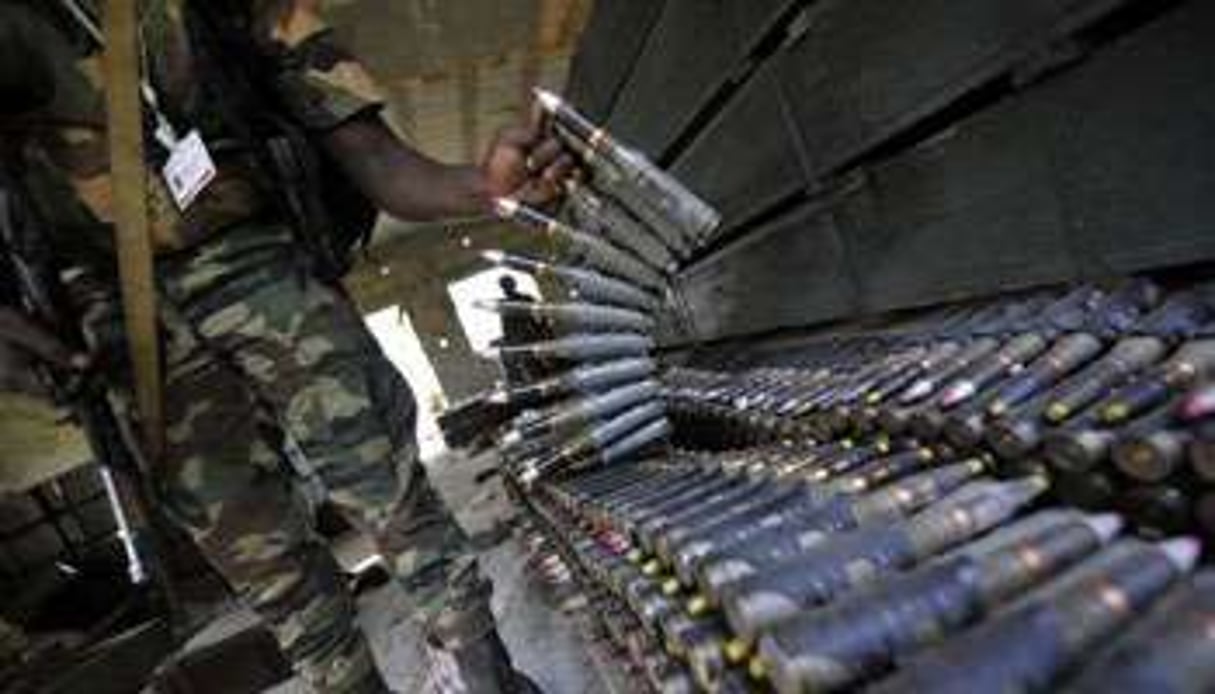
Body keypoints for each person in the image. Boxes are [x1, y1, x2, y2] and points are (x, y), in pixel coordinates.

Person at [0, 2, 574, 692]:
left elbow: (376, 160)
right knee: (256, 554)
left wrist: (481, 186)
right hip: (113, 318)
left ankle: (492, 680)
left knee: (381, 480)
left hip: (255, 258)